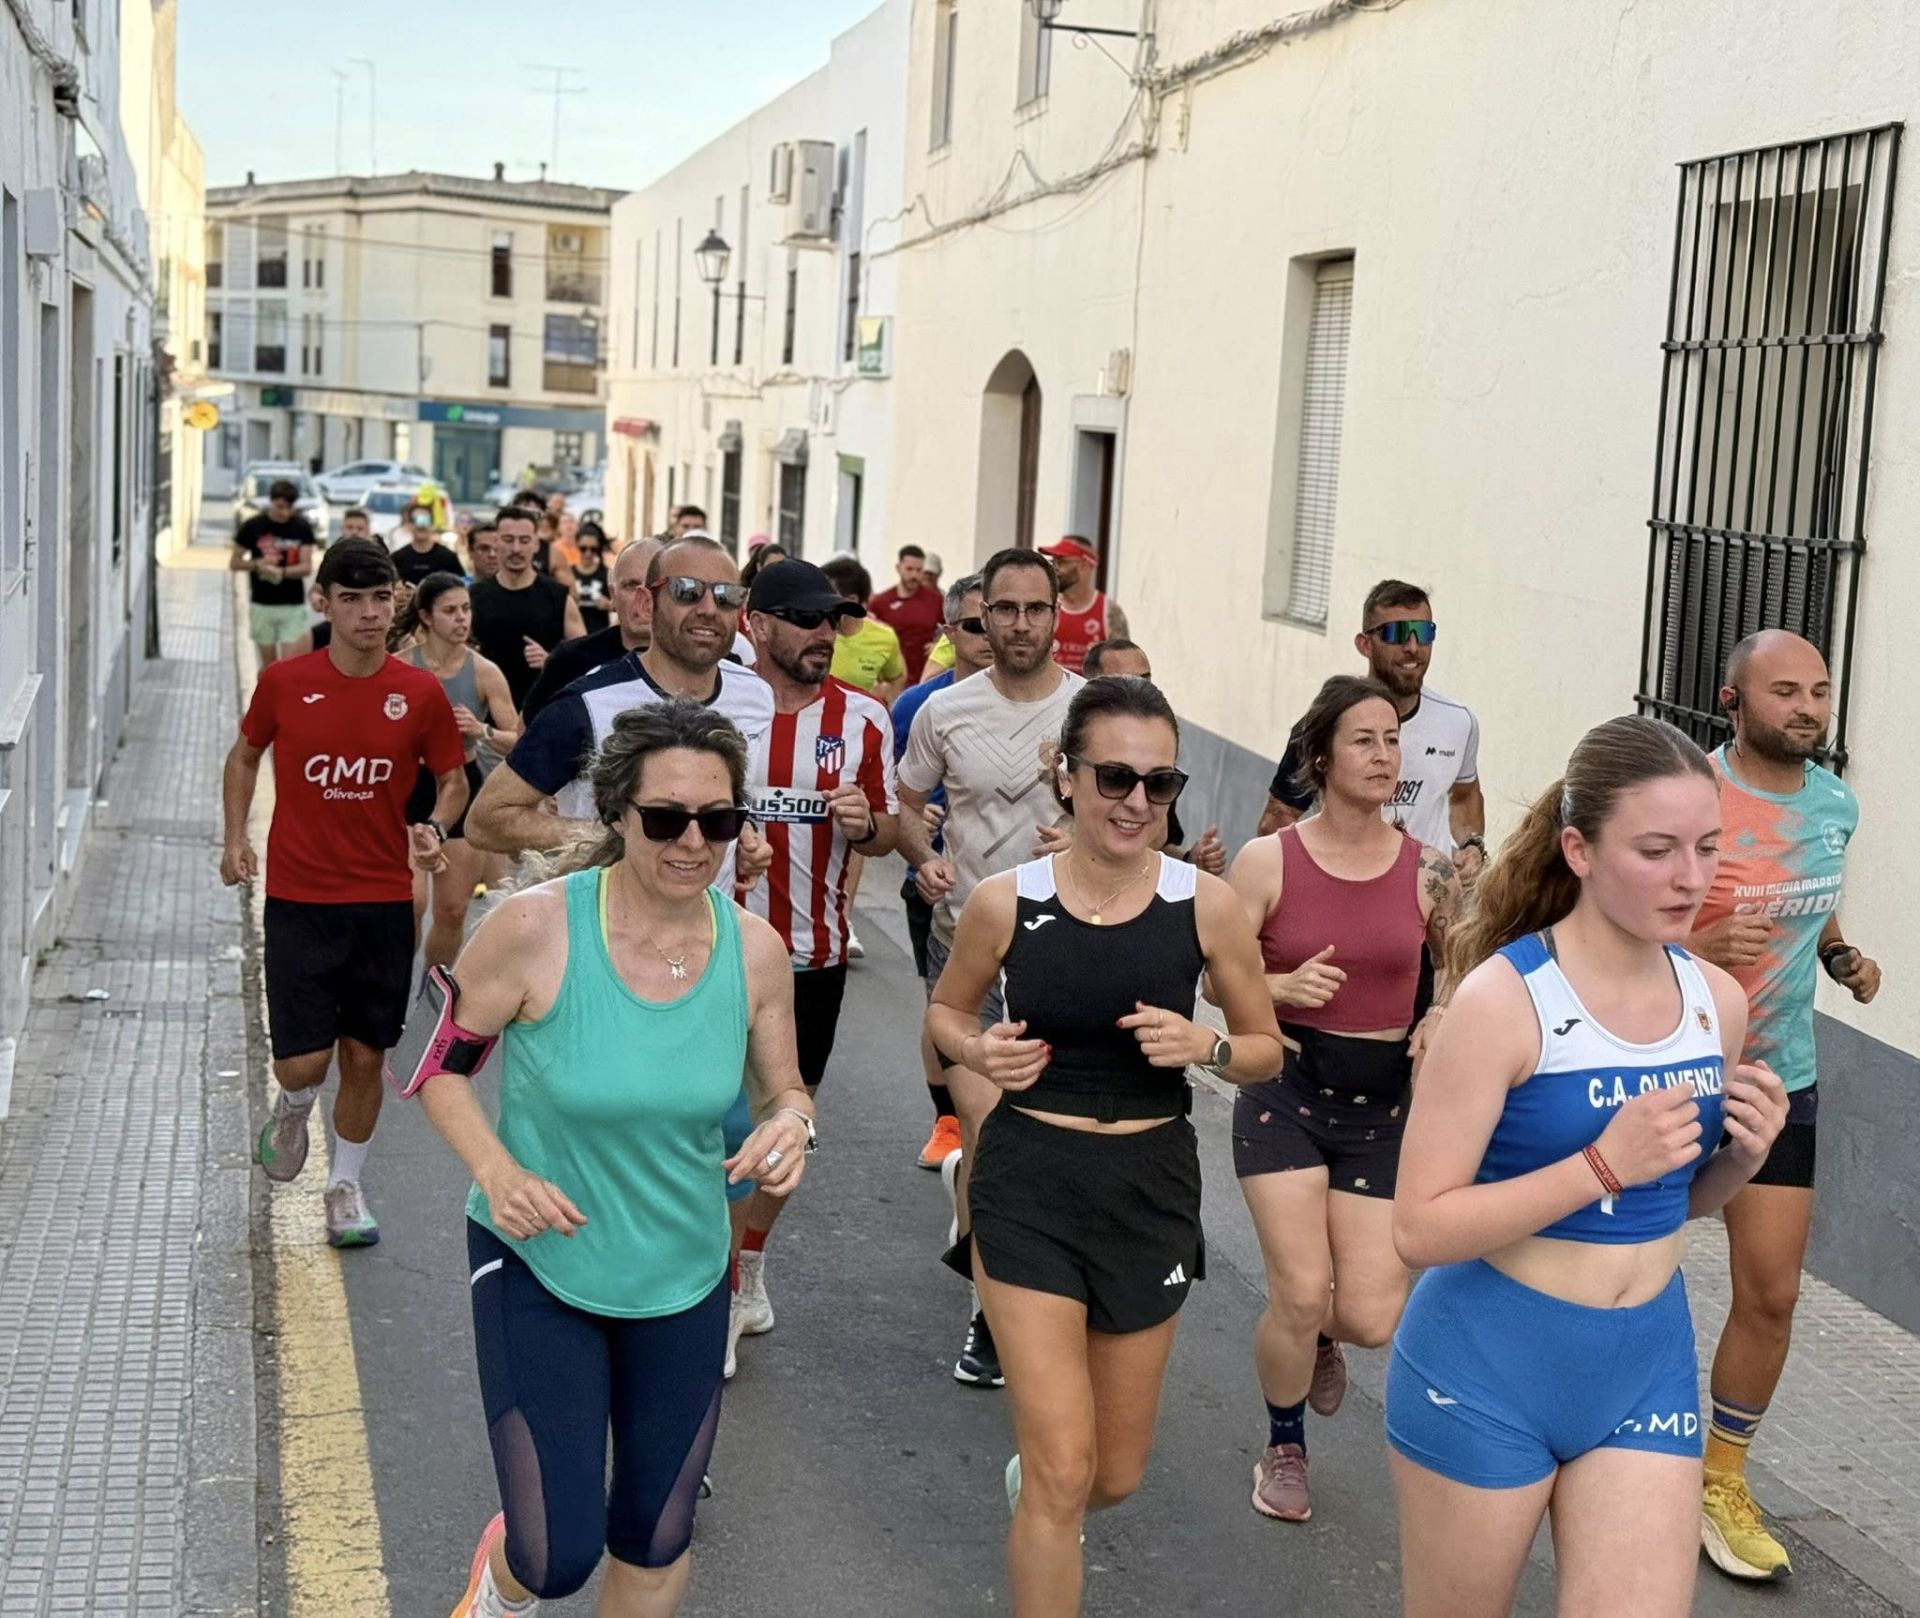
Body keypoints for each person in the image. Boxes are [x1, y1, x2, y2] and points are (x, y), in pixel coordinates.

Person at [1386, 714, 1789, 1618]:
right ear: (1579, 848)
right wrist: (1601, 1165)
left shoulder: (1715, 1001)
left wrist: (1741, 1159)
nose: (1691, 877)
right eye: (1656, 850)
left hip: (1643, 1366)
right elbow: (1419, 1226)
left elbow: (1673, 1201)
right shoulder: (1504, 1000)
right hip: (1487, 1366)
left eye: (1707, 847)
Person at [427, 702, 817, 1618]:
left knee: (655, 1532)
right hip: (540, 1259)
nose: (694, 842)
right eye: (666, 819)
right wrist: (497, 1170)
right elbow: (442, 1068)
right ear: (616, 815)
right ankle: (497, 1586)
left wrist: (795, 1129)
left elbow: (784, 1092)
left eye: (718, 822)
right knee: (556, 1553)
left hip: (684, 1272)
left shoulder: (755, 952)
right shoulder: (533, 929)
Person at [927, 675, 1284, 1616]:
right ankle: (1044, 1500)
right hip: (1030, 1185)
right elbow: (947, 1012)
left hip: (1148, 1186)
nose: (1137, 802)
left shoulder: (1206, 906)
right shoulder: (1006, 903)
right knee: (1062, 1466)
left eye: (1159, 785)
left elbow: (1264, 1050)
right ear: (1067, 775)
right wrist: (976, 1049)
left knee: (1113, 1476)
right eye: (1116, 778)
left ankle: (1045, 1496)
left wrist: (1206, 1046)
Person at [1221, 675, 1462, 1523]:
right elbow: (1220, 976)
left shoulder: (1430, 870)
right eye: (1364, 740)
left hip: (1383, 1109)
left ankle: (1323, 1336)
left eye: (1392, 740)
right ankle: (1283, 1446)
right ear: (1320, 756)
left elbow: (1462, 960)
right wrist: (1279, 983)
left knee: (1365, 1316)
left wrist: (1438, 1009)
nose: (1384, 754)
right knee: (1297, 1287)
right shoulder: (1267, 861)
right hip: (1284, 1090)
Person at [1688, 630, 1880, 1582]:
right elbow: (1609, 914)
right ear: (1732, 701)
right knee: (1620, 1278)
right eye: (1785, 692)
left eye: (1819, 690)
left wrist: (1840, 957)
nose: (1807, 707)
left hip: (1779, 1081)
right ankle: (1601, 1451)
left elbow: (1816, 898)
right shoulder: (1691, 799)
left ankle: (1720, 1480)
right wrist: (1701, 942)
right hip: (1672, 1073)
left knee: (1772, 1294)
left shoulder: (1836, 804)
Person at [219, 539, 468, 1246]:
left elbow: (451, 780)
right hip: (299, 897)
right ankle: (295, 1103)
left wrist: (433, 826)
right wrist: (235, 837)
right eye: (351, 599)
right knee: (305, 1061)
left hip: (384, 901)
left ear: (397, 604)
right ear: (322, 602)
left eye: (380, 598)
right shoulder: (285, 682)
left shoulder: (418, 694)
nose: (367, 612)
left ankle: (344, 1187)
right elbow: (245, 754)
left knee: (366, 1055)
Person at [896, 547, 1083, 1388]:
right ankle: (989, 1313)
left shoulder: (1092, 713)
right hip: (966, 941)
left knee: (1055, 1137)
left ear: (1057, 614)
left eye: (1033, 609)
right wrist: (921, 854)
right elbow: (909, 803)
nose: (1017, 625)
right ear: (980, 617)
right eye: (1000, 610)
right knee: (992, 1130)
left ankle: (1055, 1283)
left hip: (1072, 947)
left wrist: (1087, 838)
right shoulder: (945, 710)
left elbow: (1145, 816)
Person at [727, 560, 900, 1378]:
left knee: (780, 1132)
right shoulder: (717, 707)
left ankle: (745, 1265)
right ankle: (709, 1286)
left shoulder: (865, 719)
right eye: (802, 618)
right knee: (703, 1125)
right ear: (755, 624)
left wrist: (869, 828)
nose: (823, 634)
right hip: (707, 952)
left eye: (832, 619)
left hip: (811, 957)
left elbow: (889, 833)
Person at [468, 534, 773, 872]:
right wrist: (609, 837)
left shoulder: (756, 697)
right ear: (647, 603)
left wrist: (745, 836)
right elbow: (486, 819)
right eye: (686, 591)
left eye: (726, 597)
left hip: (709, 920)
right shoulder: (589, 704)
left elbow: (728, 800)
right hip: (604, 918)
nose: (708, 609)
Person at [1257, 580, 1487, 880]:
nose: (1413, 647)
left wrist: (1472, 845)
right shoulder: (1325, 723)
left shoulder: (1459, 721)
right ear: (1365, 644)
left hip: (1432, 901)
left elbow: (1464, 796)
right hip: (1349, 894)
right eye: (1397, 634)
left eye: (1425, 633)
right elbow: (1277, 820)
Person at [893, 575, 990, 1172]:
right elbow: (894, 793)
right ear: (950, 633)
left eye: (998, 620)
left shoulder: (1058, 703)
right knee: (947, 1007)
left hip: (1017, 888)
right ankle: (951, 1120)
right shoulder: (918, 706)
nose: (990, 636)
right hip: (940, 887)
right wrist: (917, 828)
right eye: (975, 625)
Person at [392, 573, 520, 969]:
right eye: (450, 611)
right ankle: (396, 981)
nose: (462, 619)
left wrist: (479, 730)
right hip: (408, 791)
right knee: (410, 903)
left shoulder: (483, 672)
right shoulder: (399, 668)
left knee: (451, 910)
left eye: (466, 609)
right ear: (427, 617)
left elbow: (517, 739)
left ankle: (431, 999)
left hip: (464, 788)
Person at [1076, 638, 1225, 876]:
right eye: (1114, 778)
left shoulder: (1158, 757)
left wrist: (1190, 858)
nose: (1138, 802)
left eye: (1145, 681)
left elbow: (1160, 844)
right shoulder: (1071, 748)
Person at [522, 538, 663, 724]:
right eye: (631, 586)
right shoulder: (571, 660)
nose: (643, 598)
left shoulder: (698, 662)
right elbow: (527, 734)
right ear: (612, 595)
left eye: (653, 586)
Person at [468, 507, 585, 710]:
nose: (516, 548)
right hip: (485, 716)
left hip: (542, 713)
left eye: (523, 540)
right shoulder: (474, 596)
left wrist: (551, 662)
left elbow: (585, 661)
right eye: (508, 539)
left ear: (536, 544)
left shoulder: (558, 597)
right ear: (496, 542)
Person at [232, 477, 317, 665]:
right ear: (271, 502)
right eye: (279, 506)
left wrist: (282, 572)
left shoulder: (301, 527)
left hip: (292, 605)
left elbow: (307, 566)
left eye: (288, 507)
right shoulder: (253, 526)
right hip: (262, 603)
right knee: (268, 668)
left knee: (290, 666)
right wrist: (257, 565)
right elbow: (235, 562)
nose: (284, 512)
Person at [820, 556, 906, 705]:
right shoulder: (810, 631)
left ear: (852, 600)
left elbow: (897, 678)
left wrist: (886, 702)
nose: (820, 600)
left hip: (857, 726)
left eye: (828, 596)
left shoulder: (884, 637)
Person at [1040, 537, 1128, 676]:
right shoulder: (1045, 608)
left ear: (1085, 566)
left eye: (1061, 562)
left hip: (1092, 696)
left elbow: (1126, 667)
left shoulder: (1109, 612)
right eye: (1053, 562)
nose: (1055, 569)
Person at [867, 543, 944, 683]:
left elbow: (950, 631)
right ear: (898, 568)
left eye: (919, 570)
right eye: (909, 569)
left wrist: (937, 646)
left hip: (925, 678)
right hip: (890, 679)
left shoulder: (936, 600)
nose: (914, 575)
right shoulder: (880, 602)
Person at [390, 502, 464, 586]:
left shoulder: (448, 558)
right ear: (409, 525)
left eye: (425, 520)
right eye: (416, 520)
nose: (421, 525)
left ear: (432, 524)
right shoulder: (397, 559)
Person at [570, 522, 613, 634]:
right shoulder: (568, 573)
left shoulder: (607, 574)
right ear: (577, 546)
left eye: (593, 549)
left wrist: (609, 605)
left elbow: (621, 606)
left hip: (599, 636)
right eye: (583, 549)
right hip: (572, 637)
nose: (588, 553)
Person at [465, 516, 502, 585]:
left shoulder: (518, 590)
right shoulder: (458, 589)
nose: (492, 554)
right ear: (470, 552)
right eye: (484, 549)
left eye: (498, 549)